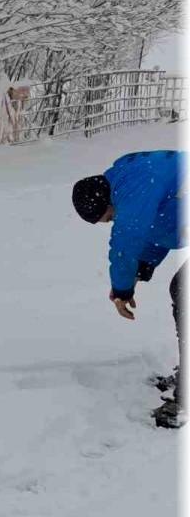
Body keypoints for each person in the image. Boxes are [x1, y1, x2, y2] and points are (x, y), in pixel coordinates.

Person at [72, 150, 185, 429]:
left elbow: (128, 237)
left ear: (105, 203)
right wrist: (140, 271)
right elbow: (160, 228)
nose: (112, 221)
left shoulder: (134, 188)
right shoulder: (131, 181)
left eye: (108, 218)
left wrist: (121, 289)